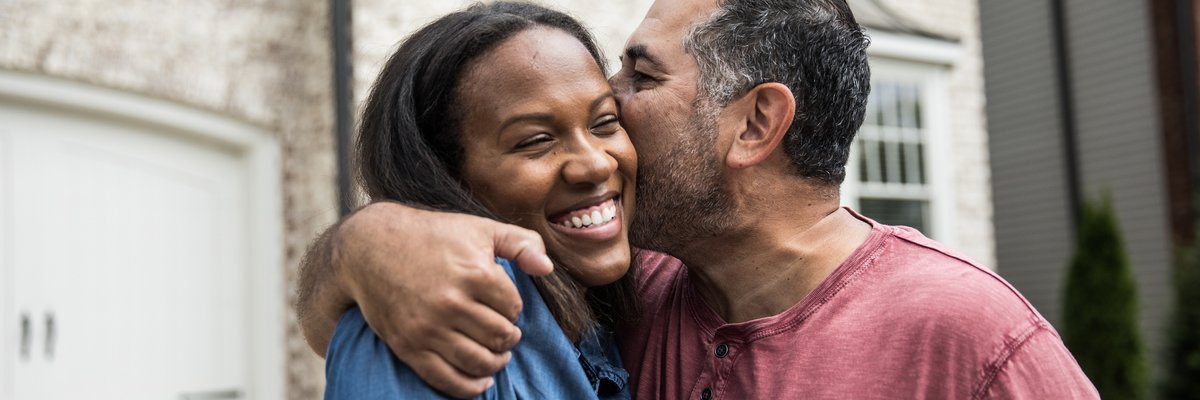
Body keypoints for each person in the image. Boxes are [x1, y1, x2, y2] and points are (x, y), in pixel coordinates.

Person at [299, 0, 1101, 398]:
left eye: (638, 80)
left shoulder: (968, 333)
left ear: (755, 124)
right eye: (539, 136)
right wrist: (364, 243)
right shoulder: (623, 289)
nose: (609, 104)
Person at [307, 2, 643, 398]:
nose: (594, 165)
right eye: (535, 141)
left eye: (604, 122)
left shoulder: (620, 310)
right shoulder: (429, 316)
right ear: (445, 176)